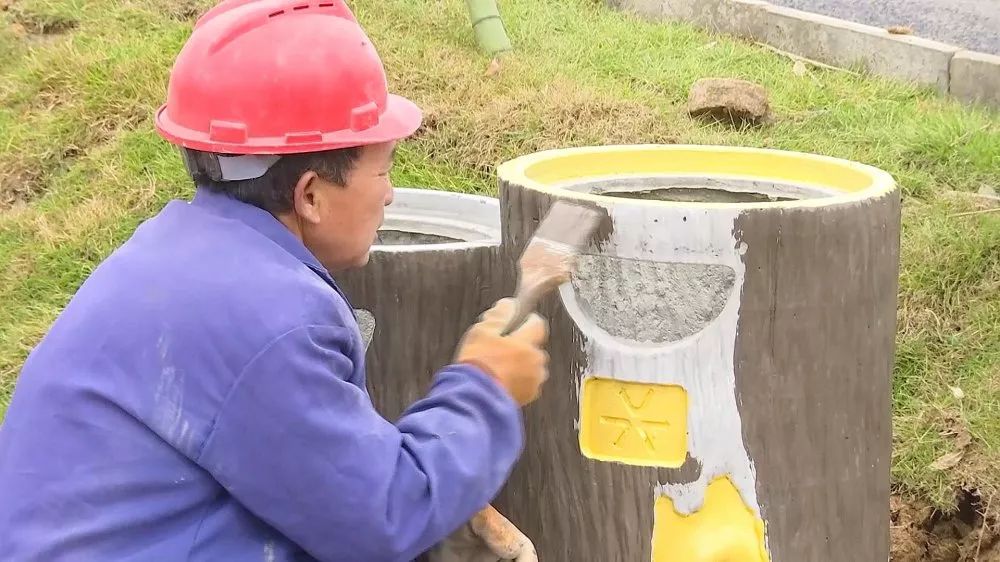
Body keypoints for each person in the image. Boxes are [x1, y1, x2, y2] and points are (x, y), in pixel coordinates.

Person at [0, 0, 549, 560]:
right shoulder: (270, 316)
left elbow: (314, 470)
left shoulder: (181, 255)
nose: (388, 193)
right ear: (309, 194)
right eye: (383, 169)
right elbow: (383, 519)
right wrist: (486, 387)